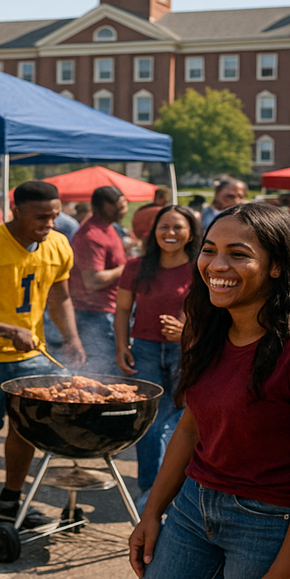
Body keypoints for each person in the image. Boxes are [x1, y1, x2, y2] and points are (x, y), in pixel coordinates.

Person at [125, 202, 290, 579]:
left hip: (276, 527)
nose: (216, 265)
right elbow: (192, 426)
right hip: (194, 511)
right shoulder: (209, 326)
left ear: (277, 267)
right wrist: (153, 511)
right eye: (209, 250)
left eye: (239, 253)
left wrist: (285, 577)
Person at [0, 180, 86, 527]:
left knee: (25, 431)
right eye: (41, 217)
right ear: (16, 211)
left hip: (32, 357)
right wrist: (6, 330)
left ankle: (10, 502)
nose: (49, 224)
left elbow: (60, 297)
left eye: (55, 216)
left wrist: (71, 338)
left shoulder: (58, 244)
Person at [114, 205, 200, 496]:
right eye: (164, 227)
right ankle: (150, 490)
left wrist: (186, 331)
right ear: (154, 231)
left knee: (185, 421)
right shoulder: (136, 266)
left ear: (190, 233)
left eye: (178, 227)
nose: (170, 233)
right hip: (145, 350)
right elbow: (123, 309)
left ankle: (182, 487)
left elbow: (216, 311)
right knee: (148, 423)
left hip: (187, 352)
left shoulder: (202, 265)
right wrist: (121, 346)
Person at [69, 186, 128, 375]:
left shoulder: (108, 229)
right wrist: (127, 268)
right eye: (121, 205)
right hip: (93, 315)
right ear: (105, 205)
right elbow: (93, 281)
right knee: (100, 373)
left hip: (106, 311)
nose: (125, 210)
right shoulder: (90, 235)